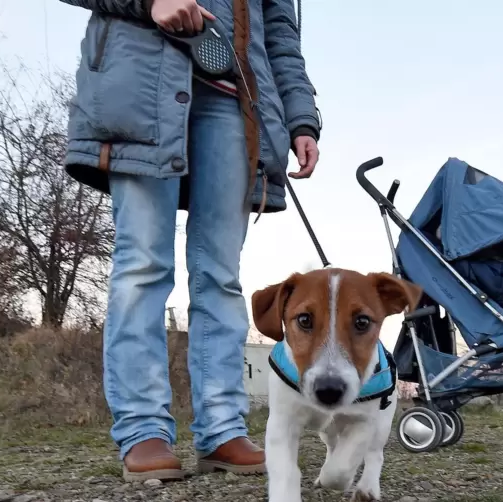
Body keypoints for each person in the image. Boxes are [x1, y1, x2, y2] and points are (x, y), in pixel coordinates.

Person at [58, 0, 321, 481]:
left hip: (235, 103)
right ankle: (143, 432)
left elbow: (281, 36)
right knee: (142, 265)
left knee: (221, 274)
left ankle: (222, 428)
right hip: (138, 83)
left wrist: (301, 118)